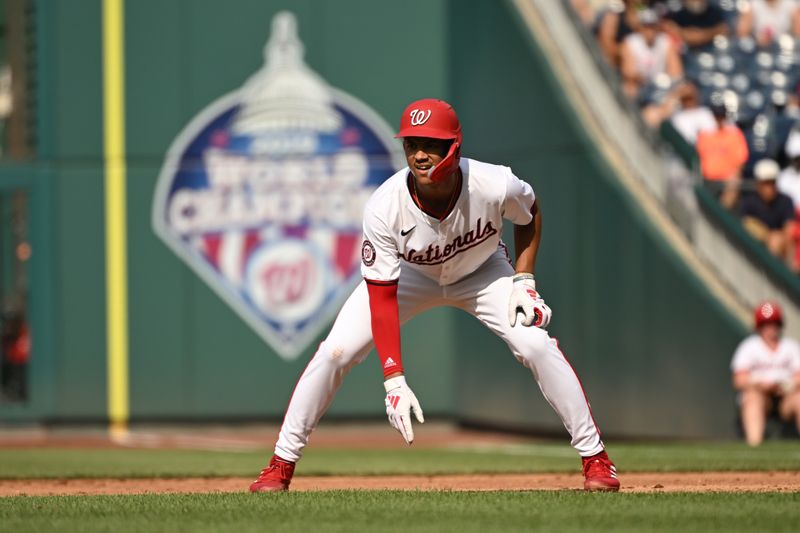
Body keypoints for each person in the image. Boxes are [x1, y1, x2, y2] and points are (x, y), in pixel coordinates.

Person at [249, 99, 621, 493]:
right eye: (412, 144)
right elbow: (382, 298)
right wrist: (394, 380)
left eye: (431, 143)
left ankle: (596, 458)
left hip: (482, 271)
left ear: (454, 146)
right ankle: (280, 465)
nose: (420, 154)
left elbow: (530, 213)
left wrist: (523, 280)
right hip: (410, 276)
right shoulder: (384, 206)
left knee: (536, 346)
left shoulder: (495, 182)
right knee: (335, 353)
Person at [731, 301, 800, 446]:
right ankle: (755, 447)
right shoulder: (749, 346)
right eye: (766, 324)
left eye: (774, 324)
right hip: (761, 396)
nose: (771, 328)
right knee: (751, 397)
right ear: (759, 326)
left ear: (780, 325)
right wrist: (757, 382)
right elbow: (738, 380)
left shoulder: (791, 347)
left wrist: (790, 384)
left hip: (786, 398)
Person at [739, 158, 796, 265]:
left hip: (781, 247)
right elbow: (746, 224)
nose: (770, 187)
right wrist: (767, 236)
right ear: (758, 183)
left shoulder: (785, 201)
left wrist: (777, 238)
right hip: (753, 249)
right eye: (766, 183)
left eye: (772, 182)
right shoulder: (748, 202)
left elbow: (789, 230)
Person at [619, 8, 684, 100]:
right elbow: (628, 72)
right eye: (646, 26)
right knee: (629, 88)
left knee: (682, 91)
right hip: (640, 85)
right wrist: (642, 78)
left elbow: (676, 73)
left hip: (660, 86)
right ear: (640, 27)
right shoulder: (631, 42)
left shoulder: (665, 42)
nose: (649, 31)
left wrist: (665, 80)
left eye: (652, 26)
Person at [695, 103, 749, 209]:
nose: (719, 119)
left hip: (726, 180)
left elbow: (741, 161)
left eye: (721, 116)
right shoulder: (705, 134)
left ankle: (721, 215)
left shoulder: (734, 134)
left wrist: (734, 177)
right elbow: (698, 157)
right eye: (716, 116)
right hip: (707, 178)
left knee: (733, 184)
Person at [663, 0, 729, 51]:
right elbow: (692, 38)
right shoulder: (677, 15)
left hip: (712, 51)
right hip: (686, 56)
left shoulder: (714, 12)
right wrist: (712, 33)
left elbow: (724, 30)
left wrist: (686, 33)